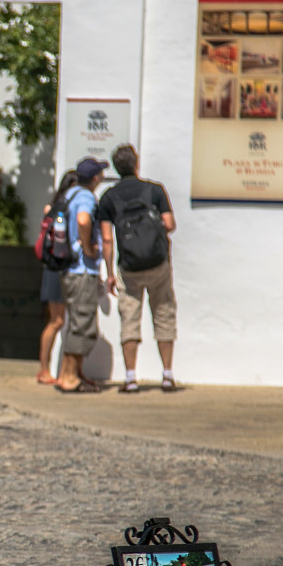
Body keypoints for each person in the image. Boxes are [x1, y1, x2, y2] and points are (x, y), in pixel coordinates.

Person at [97, 144, 179, 393]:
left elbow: (107, 240)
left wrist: (110, 273)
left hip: (129, 267)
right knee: (163, 313)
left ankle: (131, 378)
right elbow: (170, 224)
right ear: (137, 163)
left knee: (129, 318)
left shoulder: (109, 197)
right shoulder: (154, 190)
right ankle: (167, 375)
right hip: (158, 263)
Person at [55, 157, 112, 394]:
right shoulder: (86, 197)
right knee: (82, 324)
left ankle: (73, 373)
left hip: (69, 269)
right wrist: (89, 249)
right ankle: (68, 377)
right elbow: (83, 220)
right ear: (96, 178)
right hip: (81, 270)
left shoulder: (68, 195)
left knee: (78, 322)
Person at [35, 170, 77, 386]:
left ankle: (49, 369)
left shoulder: (50, 208)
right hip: (58, 268)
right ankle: (44, 369)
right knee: (57, 320)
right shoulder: (65, 209)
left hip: (51, 268)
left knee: (57, 320)